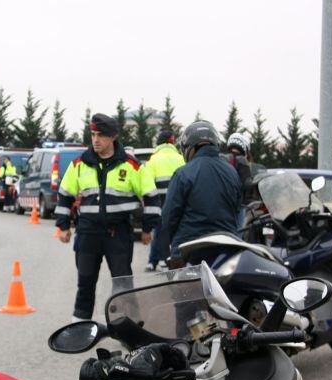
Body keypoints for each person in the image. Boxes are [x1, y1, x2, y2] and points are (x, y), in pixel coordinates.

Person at [55, 113, 160, 321]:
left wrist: (148, 229)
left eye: (101, 135)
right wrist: (63, 225)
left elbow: (151, 196)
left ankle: (127, 327)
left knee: (123, 284)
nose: (95, 139)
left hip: (118, 233)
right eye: (93, 134)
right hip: (87, 232)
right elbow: (65, 195)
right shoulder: (79, 164)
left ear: (113, 137)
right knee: (85, 282)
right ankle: (81, 324)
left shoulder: (131, 165)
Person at [162, 121, 242, 265]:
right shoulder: (232, 172)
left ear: (189, 147)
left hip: (189, 249)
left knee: (185, 288)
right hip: (227, 247)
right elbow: (237, 210)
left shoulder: (183, 173)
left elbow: (169, 217)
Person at [141, 129, 185, 272]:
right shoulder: (180, 158)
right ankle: (168, 260)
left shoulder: (153, 160)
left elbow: (147, 185)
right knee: (175, 231)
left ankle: (155, 261)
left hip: (158, 201)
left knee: (159, 230)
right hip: (178, 200)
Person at [222, 133, 265, 227]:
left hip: (222, 204)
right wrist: (259, 180)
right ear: (244, 146)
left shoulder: (222, 159)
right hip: (237, 207)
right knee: (240, 232)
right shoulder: (242, 160)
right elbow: (246, 184)